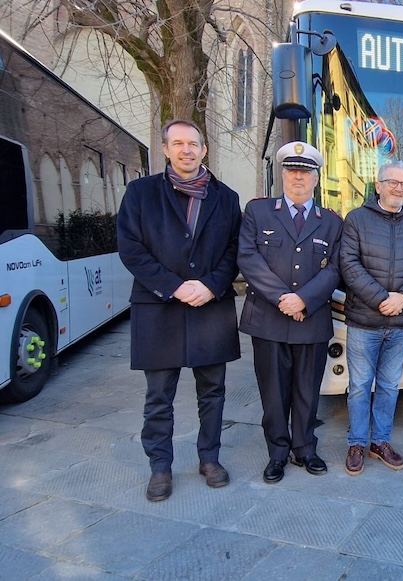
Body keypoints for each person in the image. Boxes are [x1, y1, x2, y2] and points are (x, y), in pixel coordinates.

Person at [117, 120, 241, 502]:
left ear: (204, 150)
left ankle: (209, 458)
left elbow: (235, 251)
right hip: (159, 308)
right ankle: (159, 467)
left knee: (213, 392)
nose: (187, 150)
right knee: (158, 397)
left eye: (194, 144)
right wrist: (174, 286)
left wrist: (210, 285)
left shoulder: (227, 197)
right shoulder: (140, 193)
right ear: (167, 149)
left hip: (210, 305)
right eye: (178, 143)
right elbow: (131, 247)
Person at [237, 141, 342, 484]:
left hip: (310, 321)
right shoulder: (258, 211)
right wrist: (285, 298)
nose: (299, 176)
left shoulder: (331, 222)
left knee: (307, 391)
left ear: (315, 178)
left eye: (306, 171)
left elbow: (335, 269)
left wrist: (304, 300)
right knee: (273, 392)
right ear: (282, 174)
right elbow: (248, 258)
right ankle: (277, 453)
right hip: (268, 319)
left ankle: (305, 449)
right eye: (293, 170)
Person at [340, 160, 403, 476]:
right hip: (364, 321)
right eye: (392, 182)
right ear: (378, 185)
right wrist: (382, 299)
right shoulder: (356, 220)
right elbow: (349, 265)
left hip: (402, 323)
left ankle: (380, 442)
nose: (398, 188)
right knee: (359, 386)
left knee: (391, 386)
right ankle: (356, 442)